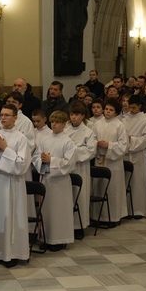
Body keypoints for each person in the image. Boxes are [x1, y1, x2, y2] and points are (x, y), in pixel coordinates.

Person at [0, 104, 31, 267]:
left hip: (13, 182)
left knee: (13, 216)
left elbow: (22, 164)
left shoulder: (21, 138)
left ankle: (13, 253)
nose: (3, 118)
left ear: (15, 118)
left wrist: (5, 149)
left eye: (7, 115)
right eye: (1, 115)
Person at [33, 111, 78, 251]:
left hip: (60, 183)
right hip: (46, 179)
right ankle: (46, 237)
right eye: (52, 122)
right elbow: (36, 156)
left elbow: (69, 163)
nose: (54, 124)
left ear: (64, 124)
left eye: (58, 122)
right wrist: (41, 161)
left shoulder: (68, 142)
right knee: (47, 210)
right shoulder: (45, 139)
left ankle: (59, 239)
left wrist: (51, 160)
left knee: (59, 211)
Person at [91, 98, 129, 227]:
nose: (107, 112)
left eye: (111, 110)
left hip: (113, 162)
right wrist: (97, 144)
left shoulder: (119, 125)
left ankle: (113, 217)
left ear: (116, 112)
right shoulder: (97, 124)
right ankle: (97, 216)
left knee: (113, 190)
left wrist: (109, 145)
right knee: (98, 187)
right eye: (106, 109)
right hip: (99, 158)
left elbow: (123, 145)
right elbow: (92, 138)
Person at [64, 101, 97, 239]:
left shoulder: (88, 132)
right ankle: (67, 225)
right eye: (71, 114)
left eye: (76, 115)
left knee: (80, 196)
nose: (73, 117)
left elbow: (90, 150)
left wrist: (73, 150)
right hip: (67, 168)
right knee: (68, 197)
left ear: (82, 116)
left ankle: (80, 226)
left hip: (81, 167)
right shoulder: (65, 130)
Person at [122, 95, 146, 219]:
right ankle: (126, 210)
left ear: (140, 106)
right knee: (126, 182)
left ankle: (138, 210)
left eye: (134, 107)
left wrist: (131, 140)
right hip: (125, 154)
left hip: (138, 154)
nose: (131, 110)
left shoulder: (145, 120)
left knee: (138, 183)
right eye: (129, 107)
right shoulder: (124, 119)